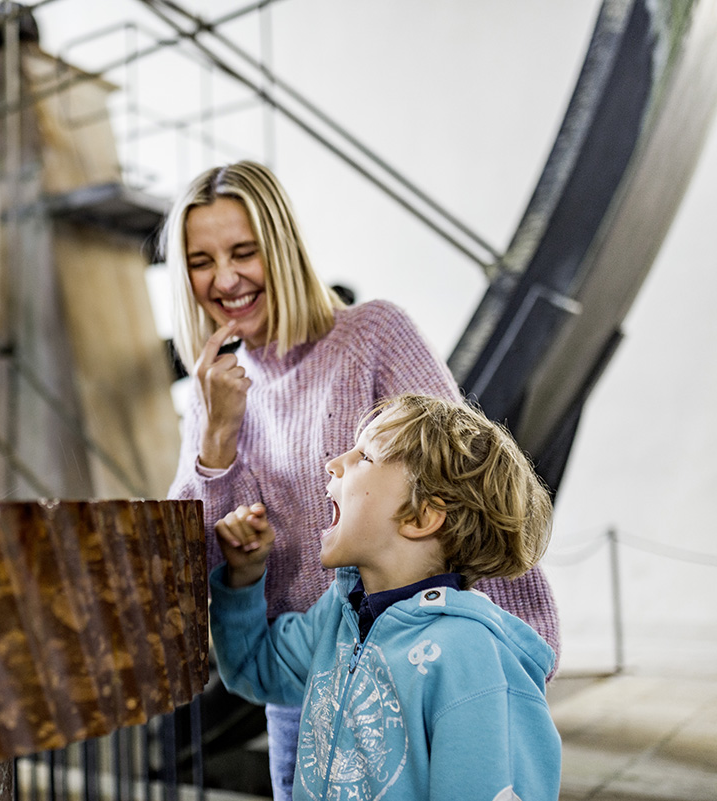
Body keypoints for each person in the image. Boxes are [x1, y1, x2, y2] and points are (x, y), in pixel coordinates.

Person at [161, 160, 560, 800]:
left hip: (427, 665)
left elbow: (462, 485)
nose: (227, 278)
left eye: (244, 251)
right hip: (310, 680)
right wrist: (216, 443)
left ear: (283, 247)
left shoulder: (373, 335)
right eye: (202, 261)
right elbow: (197, 564)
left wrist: (511, 653)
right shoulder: (211, 397)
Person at [209, 394, 561, 800]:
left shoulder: (468, 656)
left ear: (420, 517)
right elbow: (254, 666)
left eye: (365, 457)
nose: (334, 463)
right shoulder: (339, 619)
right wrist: (244, 577)